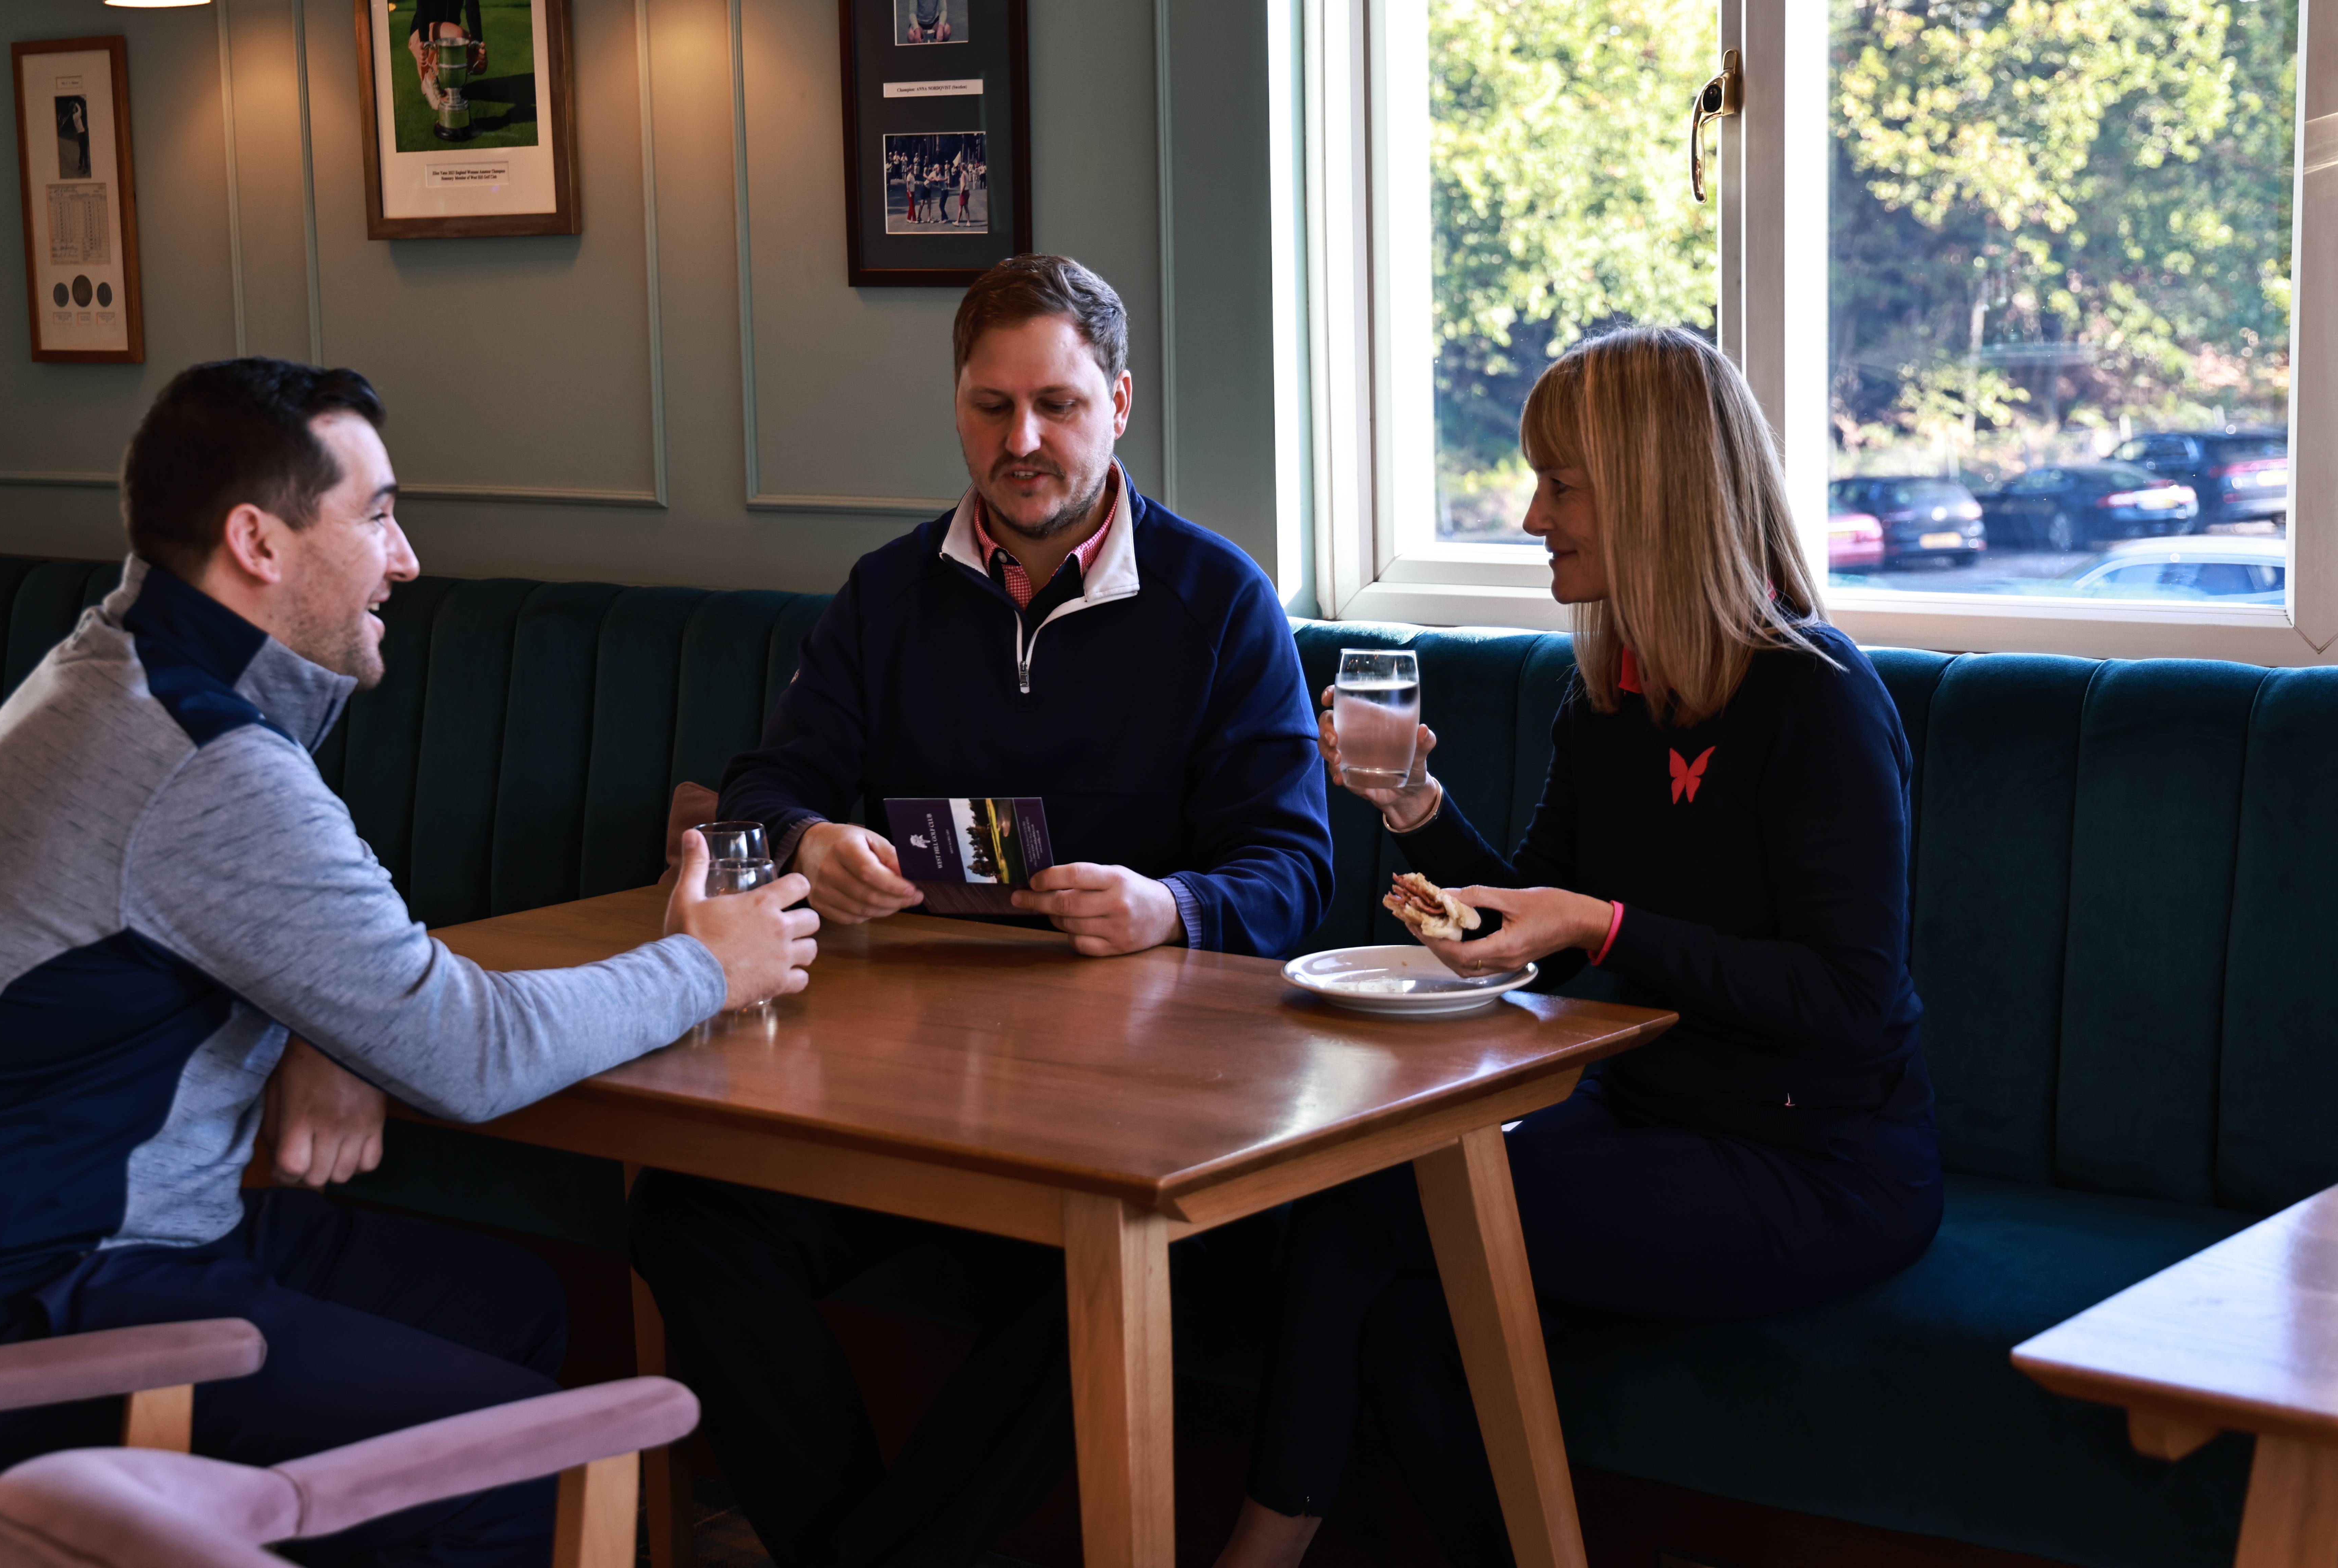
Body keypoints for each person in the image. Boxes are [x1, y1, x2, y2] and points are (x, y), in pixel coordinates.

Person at [0, 358, 819, 1567]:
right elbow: (467, 1054)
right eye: (379, 513)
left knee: (514, 1309)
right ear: (258, 543)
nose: (408, 558)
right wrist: (705, 965)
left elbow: (277, 950)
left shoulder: (122, 669)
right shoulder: (203, 758)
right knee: (515, 1453)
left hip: (70, 1261)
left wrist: (322, 1030)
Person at [628, 255, 1333, 1568]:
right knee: (686, 1219)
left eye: (1058, 405)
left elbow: (1296, 867)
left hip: (1136, 1117)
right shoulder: (888, 593)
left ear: (1119, 403)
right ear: (958, 407)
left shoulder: (1221, 601)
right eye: (991, 406)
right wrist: (808, 835)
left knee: (1106, 1273)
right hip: (906, 1097)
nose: (1023, 441)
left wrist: (1169, 906)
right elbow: (768, 782)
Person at [1212, 327, 1944, 1567]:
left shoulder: (1815, 697)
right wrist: (1414, 813)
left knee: (1403, 1230)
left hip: (1819, 1160)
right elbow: (1527, 939)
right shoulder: (1609, 695)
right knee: (1361, 1220)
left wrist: (1607, 926)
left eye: (1561, 483)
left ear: (1654, 489)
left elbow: (1850, 995)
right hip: (1651, 1111)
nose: (1534, 514)